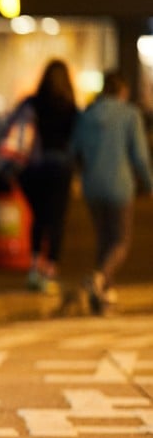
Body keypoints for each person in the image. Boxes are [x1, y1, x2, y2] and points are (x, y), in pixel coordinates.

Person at [69, 73, 153, 313]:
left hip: (91, 185)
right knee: (120, 241)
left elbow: (74, 150)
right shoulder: (129, 114)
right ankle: (100, 278)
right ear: (123, 91)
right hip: (120, 185)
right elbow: (139, 156)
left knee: (104, 240)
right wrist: (149, 184)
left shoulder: (86, 115)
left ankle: (103, 296)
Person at [15, 59, 79, 294]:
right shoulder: (69, 107)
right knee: (57, 219)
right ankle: (50, 269)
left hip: (34, 166)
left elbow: (12, 127)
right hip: (60, 166)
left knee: (38, 217)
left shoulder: (33, 103)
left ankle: (33, 268)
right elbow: (76, 141)